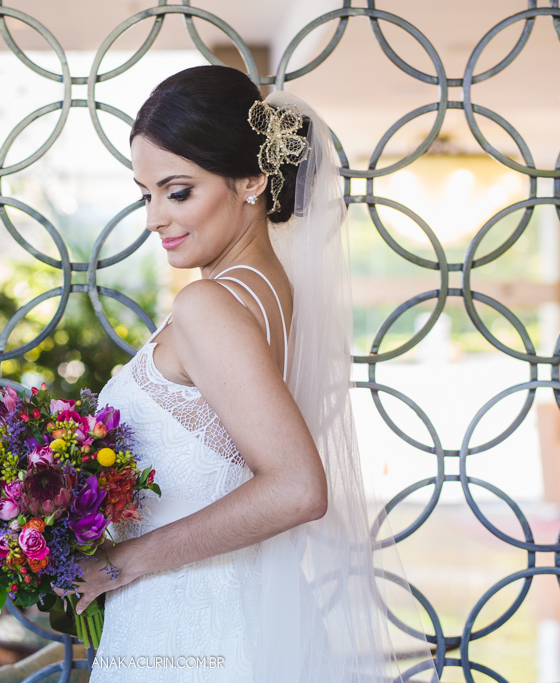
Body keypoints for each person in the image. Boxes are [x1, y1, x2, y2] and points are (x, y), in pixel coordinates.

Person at [73, 66, 434, 682]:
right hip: (229, 616)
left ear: (252, 180)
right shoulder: (272, 296)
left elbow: (297, 488)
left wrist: (118, 564)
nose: (155, 217)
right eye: (145, 193)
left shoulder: (208, 305)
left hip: (190, 631)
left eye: (178, 191)